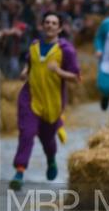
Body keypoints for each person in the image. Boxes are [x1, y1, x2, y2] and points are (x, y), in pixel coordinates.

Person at [10, 12, 81, 191]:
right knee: (27, 133)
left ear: (60, 28)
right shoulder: (34, 46)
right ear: (42, 26)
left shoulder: (66, 50)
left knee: (48, 139)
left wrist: (59, 71)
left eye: (54, 23)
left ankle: (51, 159)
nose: (50, 25)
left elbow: (76, 77)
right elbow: (30, 63)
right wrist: (25, 72)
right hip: (30, 98)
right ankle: (19, 171)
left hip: (52, 102)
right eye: (47, 22)